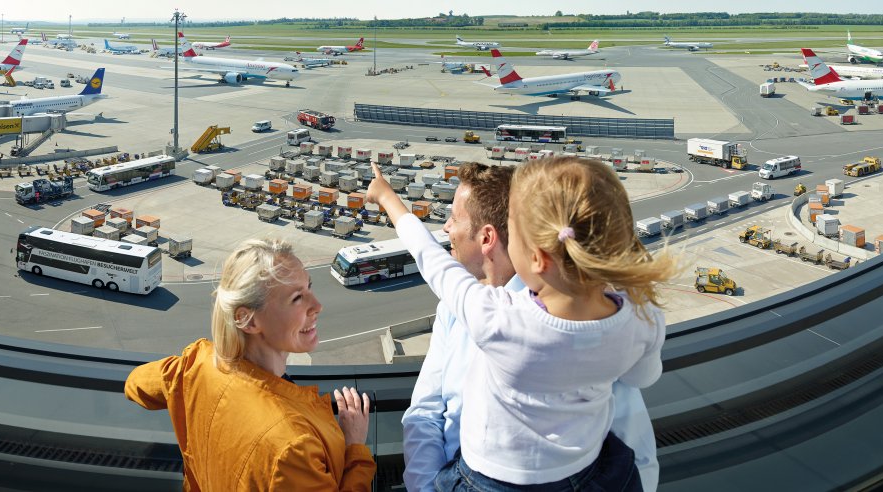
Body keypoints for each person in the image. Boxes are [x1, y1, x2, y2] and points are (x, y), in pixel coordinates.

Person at [367, 157, 675, 490]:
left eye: (512, 230)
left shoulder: (493, 316)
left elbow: (430, 259)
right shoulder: (634, 320)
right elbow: (644, 377)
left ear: (535, 256)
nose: (445, 228)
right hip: (588, 476)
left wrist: (389, 200)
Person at [125, 238, 376, 491]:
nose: (318, 306)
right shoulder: (292, 446)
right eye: (297, 298)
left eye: (309, 287)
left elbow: (135, 384)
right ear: (248, 320)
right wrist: (355, 450)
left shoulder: (195, 365)